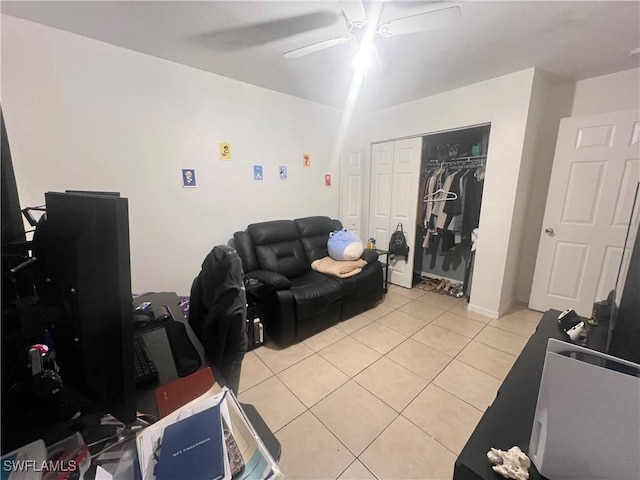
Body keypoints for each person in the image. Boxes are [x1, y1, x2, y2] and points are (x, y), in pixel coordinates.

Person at [188, 246, 248, 395]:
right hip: (221, 347)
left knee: (227, 389)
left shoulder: (231, 305)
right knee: (222, 385)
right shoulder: (231, 303)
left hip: (229, 349)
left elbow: (218, 351)